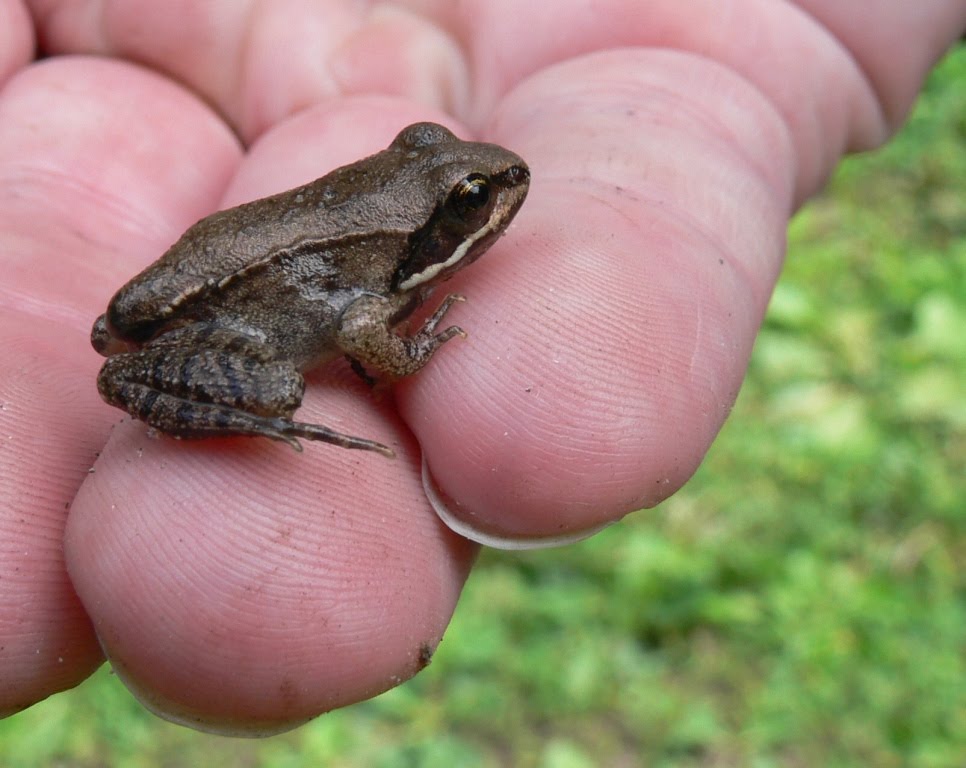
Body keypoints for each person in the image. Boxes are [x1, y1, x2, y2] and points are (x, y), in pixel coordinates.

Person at [1, 0, 963, 735]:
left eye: (459, 182)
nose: (490, 190)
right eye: (466, 197)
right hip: (194, 319)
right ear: (427, 221)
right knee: (285, 384)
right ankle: (264, 413)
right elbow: (368, 330)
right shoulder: (381, 281)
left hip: (192, 275)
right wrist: (408, 353)